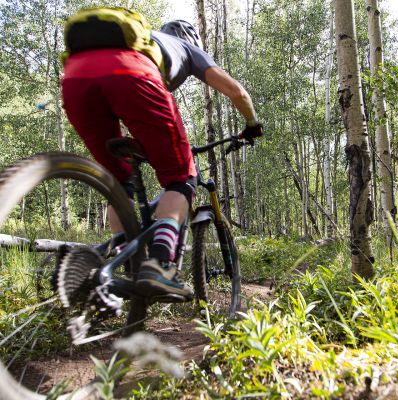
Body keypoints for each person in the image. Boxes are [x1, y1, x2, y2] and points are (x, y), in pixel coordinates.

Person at [61, 18, 263, 299]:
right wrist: (252, 123)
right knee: (181, 180)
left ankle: (130, 264)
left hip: (74, 79)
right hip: (133, 75)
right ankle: (159, 266)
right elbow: (235, 91)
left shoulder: (145, 41)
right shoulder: (187, 49)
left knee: (120, 184)